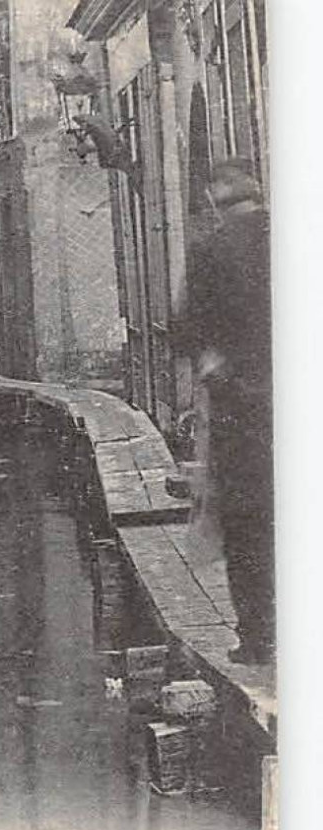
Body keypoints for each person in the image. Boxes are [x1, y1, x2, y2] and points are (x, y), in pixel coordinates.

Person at [175, 158, 273, 665]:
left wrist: (215, 363)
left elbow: (188, 330)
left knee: (248, 519)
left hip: (242, 404)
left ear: (215, 196)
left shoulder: (210, 249)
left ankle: (258, 638)